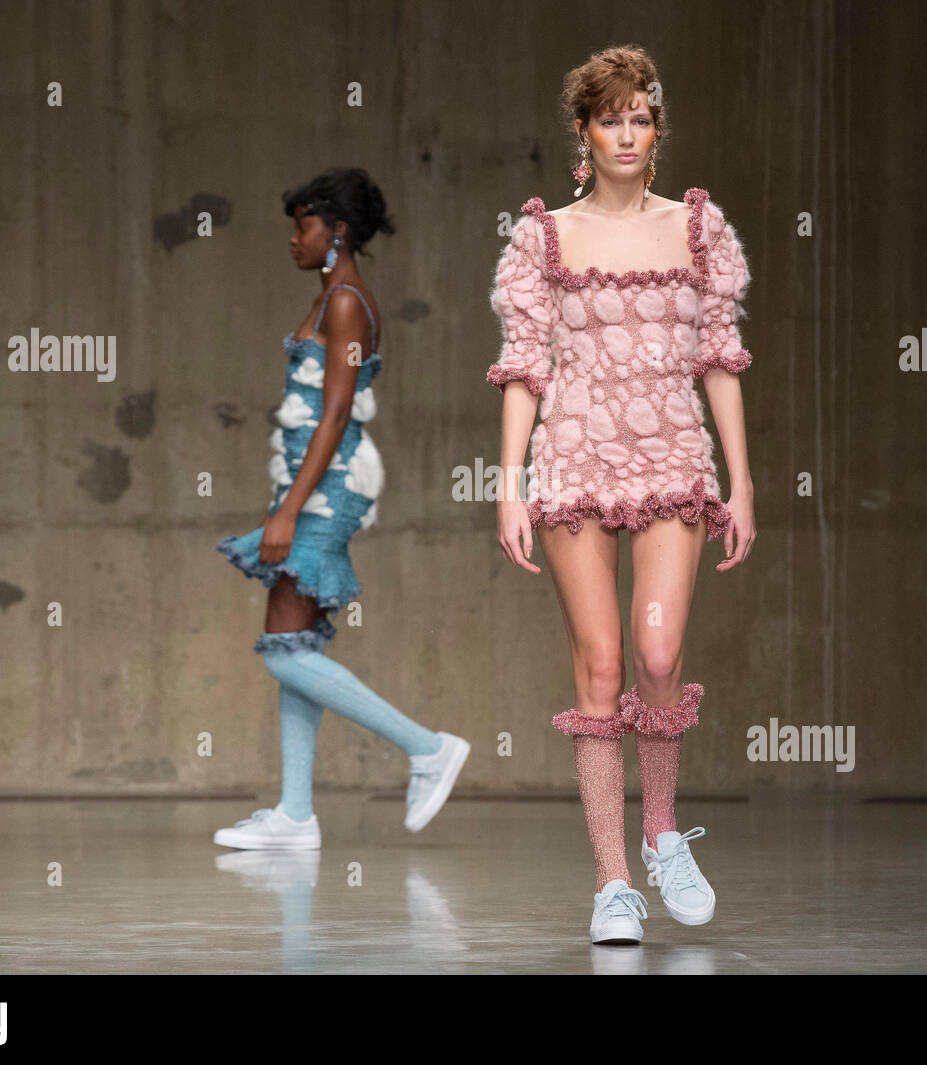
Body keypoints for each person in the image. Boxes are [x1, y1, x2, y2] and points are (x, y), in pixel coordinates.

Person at [488, 47, 756, 944]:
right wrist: (510, 483)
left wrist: (743, 481)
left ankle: (662, 831)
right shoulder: (544, 236)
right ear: (584, 133)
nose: (628, 133)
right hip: (573, 450)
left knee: (657, 647)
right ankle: (611, 883)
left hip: (672, 450)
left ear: (658, 128)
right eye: (612, 119)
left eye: (641, 117)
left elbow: (719, 357)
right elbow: (524, 366)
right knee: (601, 665)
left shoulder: (698, 229)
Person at [216, 167, 470, 851]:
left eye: (304, 226)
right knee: (295, 644)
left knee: (282, 652)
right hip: (307, 485)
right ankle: (296, 813)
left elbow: (335, 416)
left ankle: (428, 747)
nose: (294, 239)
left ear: (340, 231)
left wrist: (288, 514)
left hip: (324, 492)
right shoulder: (334, 298)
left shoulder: (348, 303)